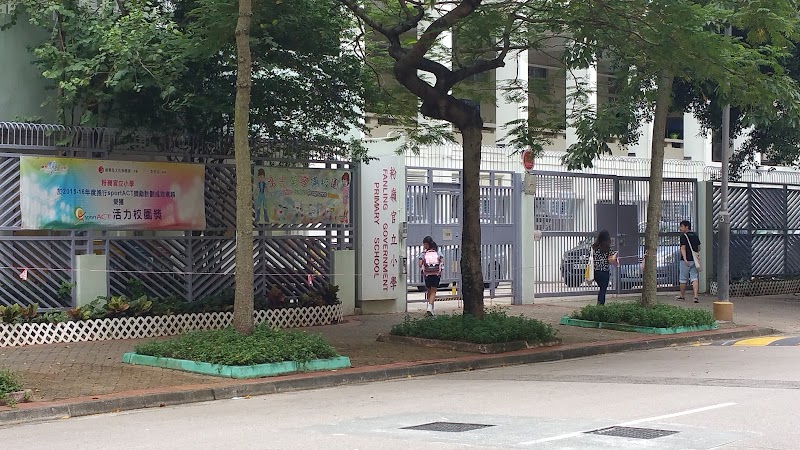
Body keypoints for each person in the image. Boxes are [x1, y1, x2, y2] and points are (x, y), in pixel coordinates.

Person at [418, 236, 444, 316]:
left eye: (424, 244)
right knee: (433, 291)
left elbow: (420, 264)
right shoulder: (437, 252)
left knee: (429, 291)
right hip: (436, 274)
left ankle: (430, 308)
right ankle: (430, 308)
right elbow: (442, 262)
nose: (424, 246)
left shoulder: (424, 253)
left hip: (427, 274)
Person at [678, 220, 701, 303]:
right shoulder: (695, 235)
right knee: (694, 278)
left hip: (686, 261)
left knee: (683, 279)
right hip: (694, 260)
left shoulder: (683, 236)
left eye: (681, 226)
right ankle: (695, 296)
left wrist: (685, 259)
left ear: (686, 227)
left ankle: (682, 296)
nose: (680, 228)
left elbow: (683, 248)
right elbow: (699, 248)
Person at [592, 230, 617, 306]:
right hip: (604, 272)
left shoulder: (594, 247)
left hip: (595, 271)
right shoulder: (608, 249)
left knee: (601, 288)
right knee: (603, 289)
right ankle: (600, 305)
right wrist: (615, 256)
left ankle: (599, 304)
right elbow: (610, 261)